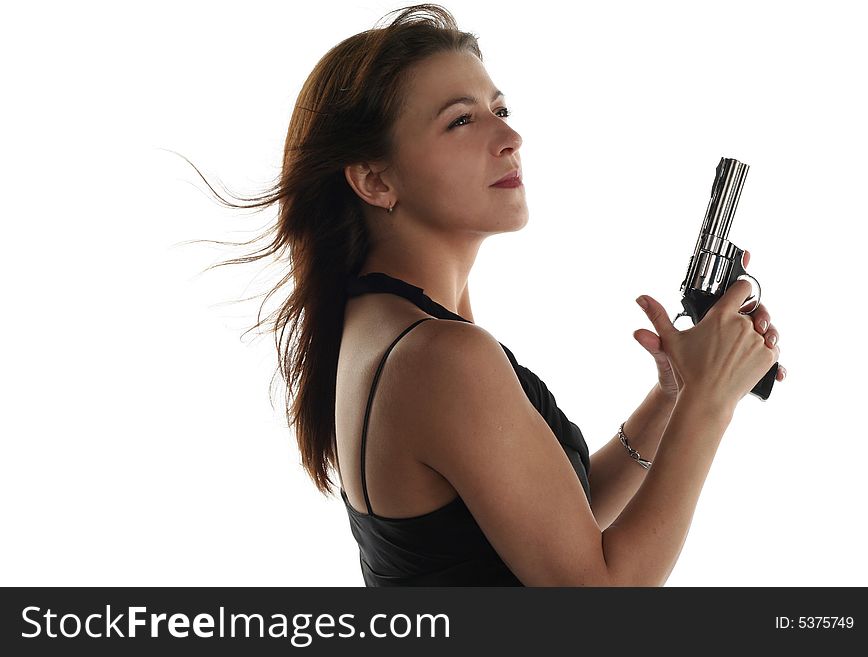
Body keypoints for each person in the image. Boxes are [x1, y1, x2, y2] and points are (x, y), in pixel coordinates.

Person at [186, 4, 786, 586]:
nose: (511, 136)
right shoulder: (438, 355)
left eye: (500, 108)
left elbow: (553, 534)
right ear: (375, 180)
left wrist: (672, 397)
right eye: (461, 120)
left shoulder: (393, 322)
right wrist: (711, 401)